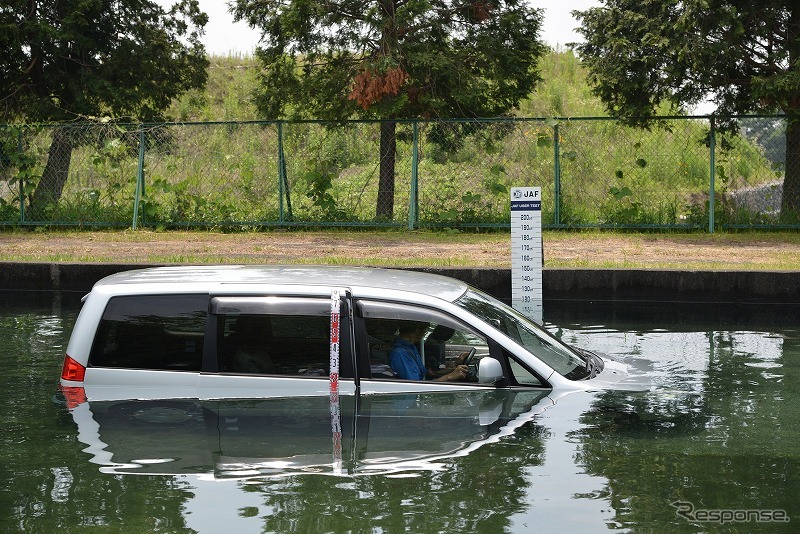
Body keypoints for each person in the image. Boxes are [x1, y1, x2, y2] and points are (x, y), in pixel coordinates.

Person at [389, 321, 467, 381]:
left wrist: (449, 370)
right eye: (425, 331)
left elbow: (425, 373)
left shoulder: (411, 347)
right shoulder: (400, 353)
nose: (424, 334)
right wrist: (449, 377)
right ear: (417, 330)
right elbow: (416, 387)